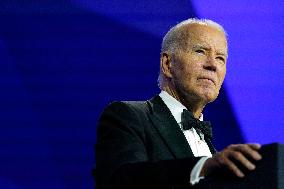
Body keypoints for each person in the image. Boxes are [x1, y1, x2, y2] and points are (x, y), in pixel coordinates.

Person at [94, 18, 262, 189]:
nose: (213, 65)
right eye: (200, 51)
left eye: (220, 58)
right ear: (168, 64)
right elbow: (119, 180)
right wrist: (202, 168)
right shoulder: (129, 116)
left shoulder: (212, 150)